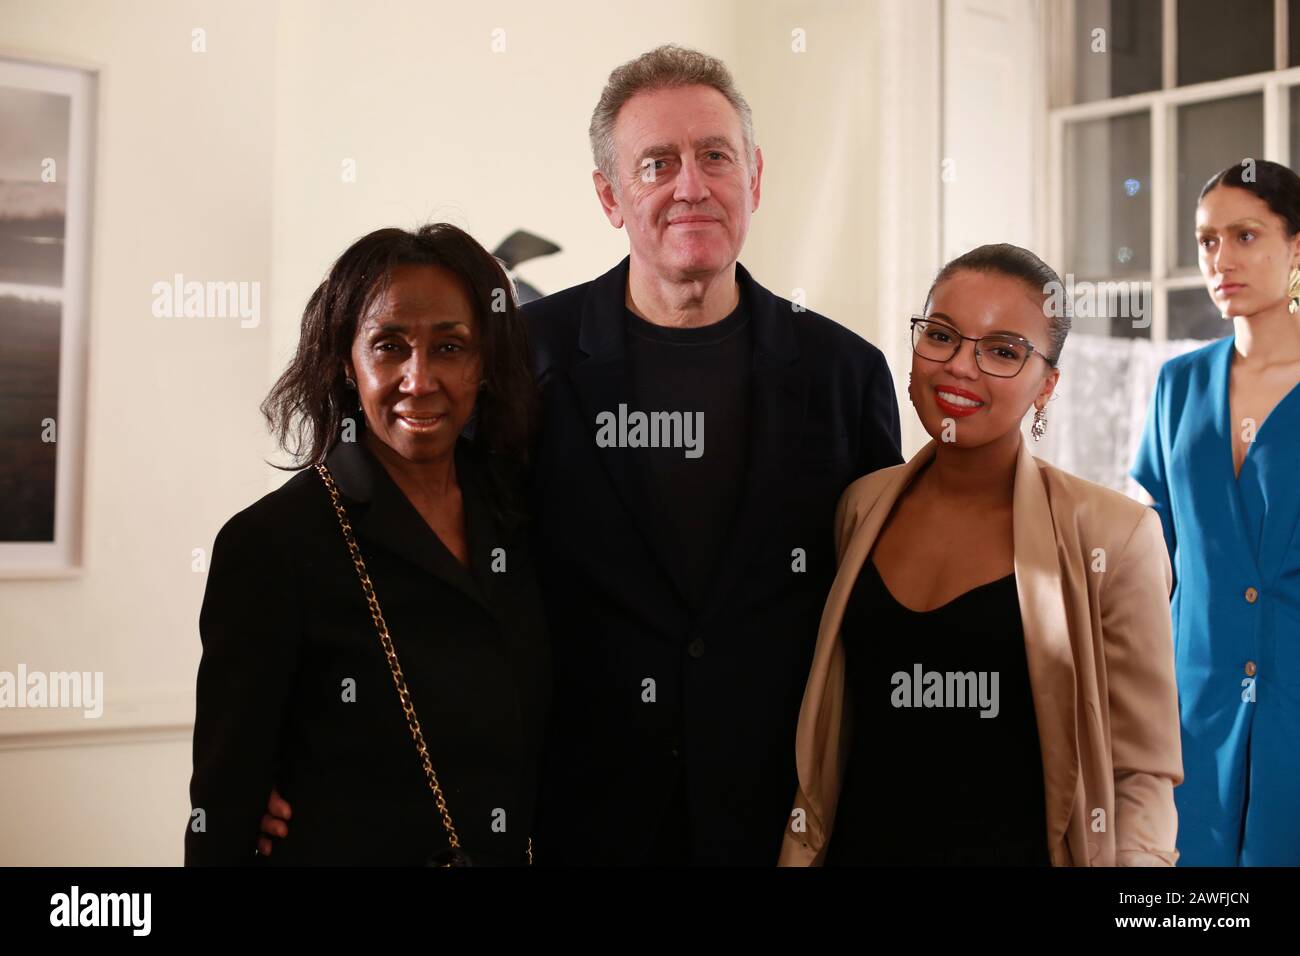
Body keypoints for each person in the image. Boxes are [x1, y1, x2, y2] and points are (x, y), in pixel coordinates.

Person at [522, 44, 902, 865]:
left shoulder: (846, 374)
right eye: (656, 164)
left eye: (714, 157)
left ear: (754, 179)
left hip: (783, 824)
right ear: (609, 197)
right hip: (580, 821)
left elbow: (874, 619)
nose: (690, 185)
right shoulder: (525, 360)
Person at [780, 244, 1183, 866]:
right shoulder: (861, 507)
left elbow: (1142, 776)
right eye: (941, 336)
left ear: (1046, 385)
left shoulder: (1114, 536)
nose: (960, 368)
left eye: (1001, 351)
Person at [185, 224, 550, 866]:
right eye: (389, 346)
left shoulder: (523, 519)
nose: (419, 378)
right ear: (345, 364)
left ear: (484, 365)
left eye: (449, 347)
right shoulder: (271, 545)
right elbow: (224, 810)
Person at [1132, 159, 1300, 866]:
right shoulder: (1178, 386)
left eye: (1245, 236)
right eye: (1207, 241)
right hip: (1193, 713)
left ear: (1297, 249)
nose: (1221, 258)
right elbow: (1153, 560)